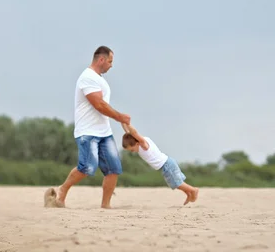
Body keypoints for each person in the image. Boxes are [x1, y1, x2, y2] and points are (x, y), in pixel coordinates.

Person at [54, 46, 131, 209]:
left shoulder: (100, 79)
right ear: (101, 59)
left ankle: (106, 205)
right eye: (110, 61)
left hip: (104, 132)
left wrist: (119, 119)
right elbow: (99, 104)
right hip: (87, 132)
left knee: (114, 169)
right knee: (87, 167)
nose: (111, 65)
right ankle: (63, 189)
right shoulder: (87, 77)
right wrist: (120, 117)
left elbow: (103, 105)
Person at [122, 124, 199, 205]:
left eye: (132, 150)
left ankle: (193, 190)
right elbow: (129, 133)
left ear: (137, 144)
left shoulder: (144, 145)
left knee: (177, 183)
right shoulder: (137, 141)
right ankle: (188, 193)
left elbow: (134, 133)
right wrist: (123, 122)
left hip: (167, 165)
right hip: (167, 163)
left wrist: (128, 123)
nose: (132, 152)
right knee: (176, 182)